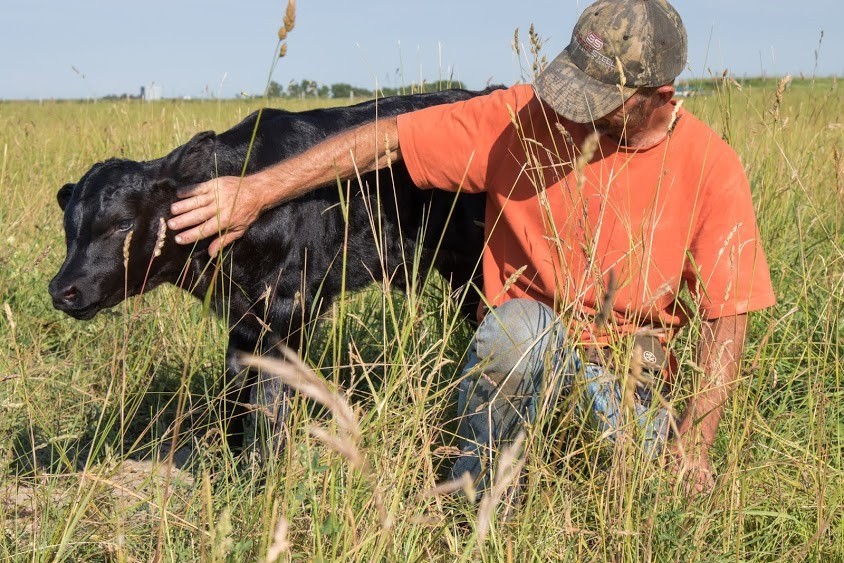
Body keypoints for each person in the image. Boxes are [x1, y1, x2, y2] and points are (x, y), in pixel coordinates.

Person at [167, 0, 775, 495]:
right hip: (522, 351)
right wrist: (256, 189)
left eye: (602, 99)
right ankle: (474, 511)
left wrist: (693, 451)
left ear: (659, 95)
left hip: (623, 388)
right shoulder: (521, 120)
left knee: (643, 474)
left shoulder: (711, 167)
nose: (572, 113)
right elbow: (385, 142)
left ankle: (597, 481)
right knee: (519, 332)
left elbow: (726, 323)